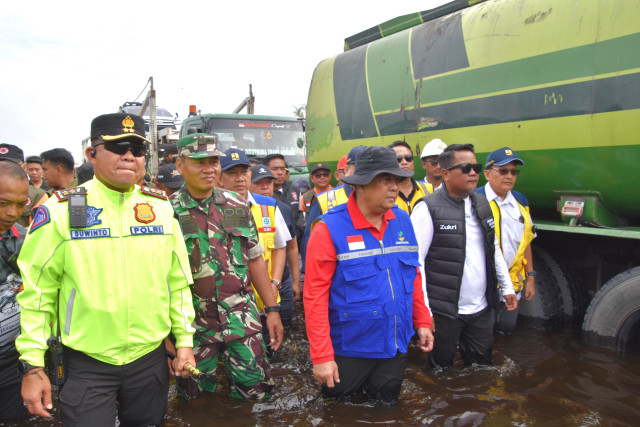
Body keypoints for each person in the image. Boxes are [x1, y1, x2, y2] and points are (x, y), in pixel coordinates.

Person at [16, 113, 196, 425]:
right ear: (92, 154)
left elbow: (177, 284)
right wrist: (33, 366)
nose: (130, 155)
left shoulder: (160, 209)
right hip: (87, 364)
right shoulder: (58, 212)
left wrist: (184, 343)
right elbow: (37, 293)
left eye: (138, 149)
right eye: (118, 146)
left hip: (148, 358)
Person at [304, 146, 434, 405]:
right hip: (350, 348)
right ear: (360, 186)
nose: (394, 187)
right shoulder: (328, 229)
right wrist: (321, 357)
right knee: (340, 412)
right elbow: (314, 297)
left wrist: (422, 320)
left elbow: (413, 275)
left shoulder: (402, 220)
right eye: (384, 180)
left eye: (396, 179)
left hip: (395, 343)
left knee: (386, 409)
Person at [172, 135, 284, 401]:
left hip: (242, 319)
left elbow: (255, 258)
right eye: (199, 162)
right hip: (194, 328)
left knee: (258, 396)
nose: (209, 168)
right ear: (180, 166)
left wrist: (272, 309)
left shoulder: (236, 204)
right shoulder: (168, 211)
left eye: (213, 161)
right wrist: (170, 340)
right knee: (195, 399)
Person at [410, 143, 517, 371]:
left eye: (476, 167)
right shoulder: (428, 209)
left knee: (482, 369)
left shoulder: (481, 203)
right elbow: (415, 262)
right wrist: (425, 311)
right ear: (445, 173)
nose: (473, 173)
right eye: (466, 168)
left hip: (480, 309)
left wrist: (506, 287)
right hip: (444, 310)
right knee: (441, 372)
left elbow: (493, 247)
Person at [218, 148, 291, 341]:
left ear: (250, 174)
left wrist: (275, 282)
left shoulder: (269, 206)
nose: (239, 178)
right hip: (227, 306)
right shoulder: (211, 209)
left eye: (244, 172)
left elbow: (280, 247)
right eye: (232, 173)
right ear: (220, 177)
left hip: (264, 301)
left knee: (267, 353)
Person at [477, 147, 536, 334]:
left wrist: (531, 278)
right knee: (481, 338)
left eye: (513, 172)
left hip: (512, 286)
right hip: (482, 287)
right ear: (487, 174)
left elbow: (525, 243)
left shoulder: (521, 202)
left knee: (506, 333)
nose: (509, 176)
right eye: (503, 171)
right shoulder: (475, 200)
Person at [250, 164, 300, 330]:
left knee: (280, 328)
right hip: (250, 286)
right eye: (259, 183)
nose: (265, 187)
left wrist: (295, 281)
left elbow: (290, 246)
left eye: (269, 182)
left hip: (279, 282)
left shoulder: (280, 209)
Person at [300, 145, 365, 273]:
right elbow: (310, 239)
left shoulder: (379, 198)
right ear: (346, 170)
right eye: (360, 167)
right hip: (333, 270)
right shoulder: (323, 199)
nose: (365, 173)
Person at [0, 162, 30, 422]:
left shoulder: (23, 239)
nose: (12, 213)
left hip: (11, 360)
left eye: (21, 205)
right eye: (3, 203)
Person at [0, 145, 48, 228]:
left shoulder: (39, 195)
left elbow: (38, 228)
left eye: (11, 166)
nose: (5, 170)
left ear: (24, 167)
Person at [265, 154, 304, 243]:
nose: (280, 172)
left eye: (282, 169)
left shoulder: (295, 190)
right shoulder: (263, 193)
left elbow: (300, 217)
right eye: (275, 169)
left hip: (295, 243)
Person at [388, 141, 433, 215]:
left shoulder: (429, 189)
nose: (404, 162)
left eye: (408, 158)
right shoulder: (384, 194)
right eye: (398, 159)